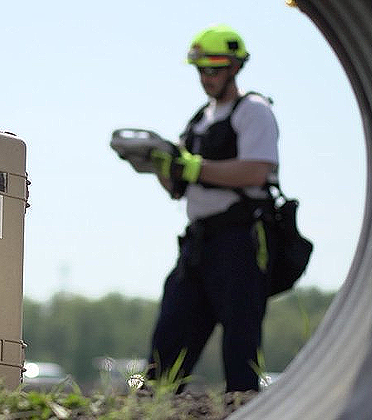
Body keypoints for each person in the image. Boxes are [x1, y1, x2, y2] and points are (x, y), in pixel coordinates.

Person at [146, 24, 279, 392]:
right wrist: (160, 165)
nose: (207, 77)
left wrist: (195, 167)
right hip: (198, 246)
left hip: (239, 243)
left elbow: (256, 169)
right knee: (166, 346)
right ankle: (148, 402)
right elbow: (177, 187)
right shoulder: (198, 120)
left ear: (235, 67)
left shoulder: (252, 111)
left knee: (240, 351)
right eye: (201, 69)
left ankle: (244, 406)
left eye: (215, 68)